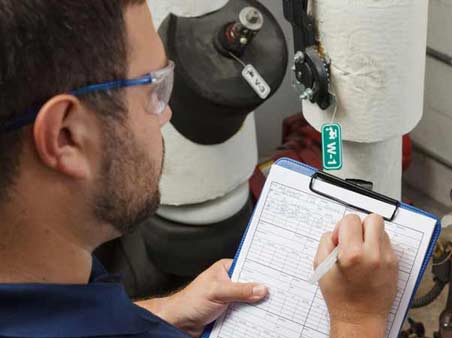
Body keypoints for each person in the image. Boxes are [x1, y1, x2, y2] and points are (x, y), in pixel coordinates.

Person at [0, 1, 399, 338]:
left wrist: (168, 310)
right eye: (154, 89)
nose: (167, 112)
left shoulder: (47, 275)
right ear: (67, 136)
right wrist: (358, 318)